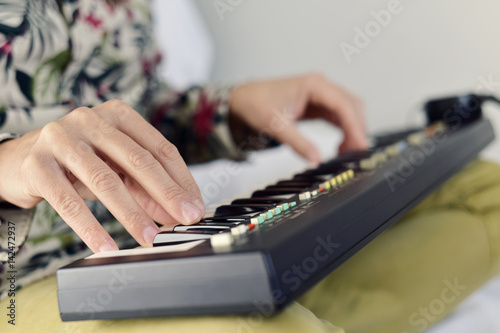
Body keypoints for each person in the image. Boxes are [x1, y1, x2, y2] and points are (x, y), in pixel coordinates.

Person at [2, 1, 500, 333]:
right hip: (21, 282)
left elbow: (134, 107)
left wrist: (229, 110)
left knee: (484, 191)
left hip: (159, 245)